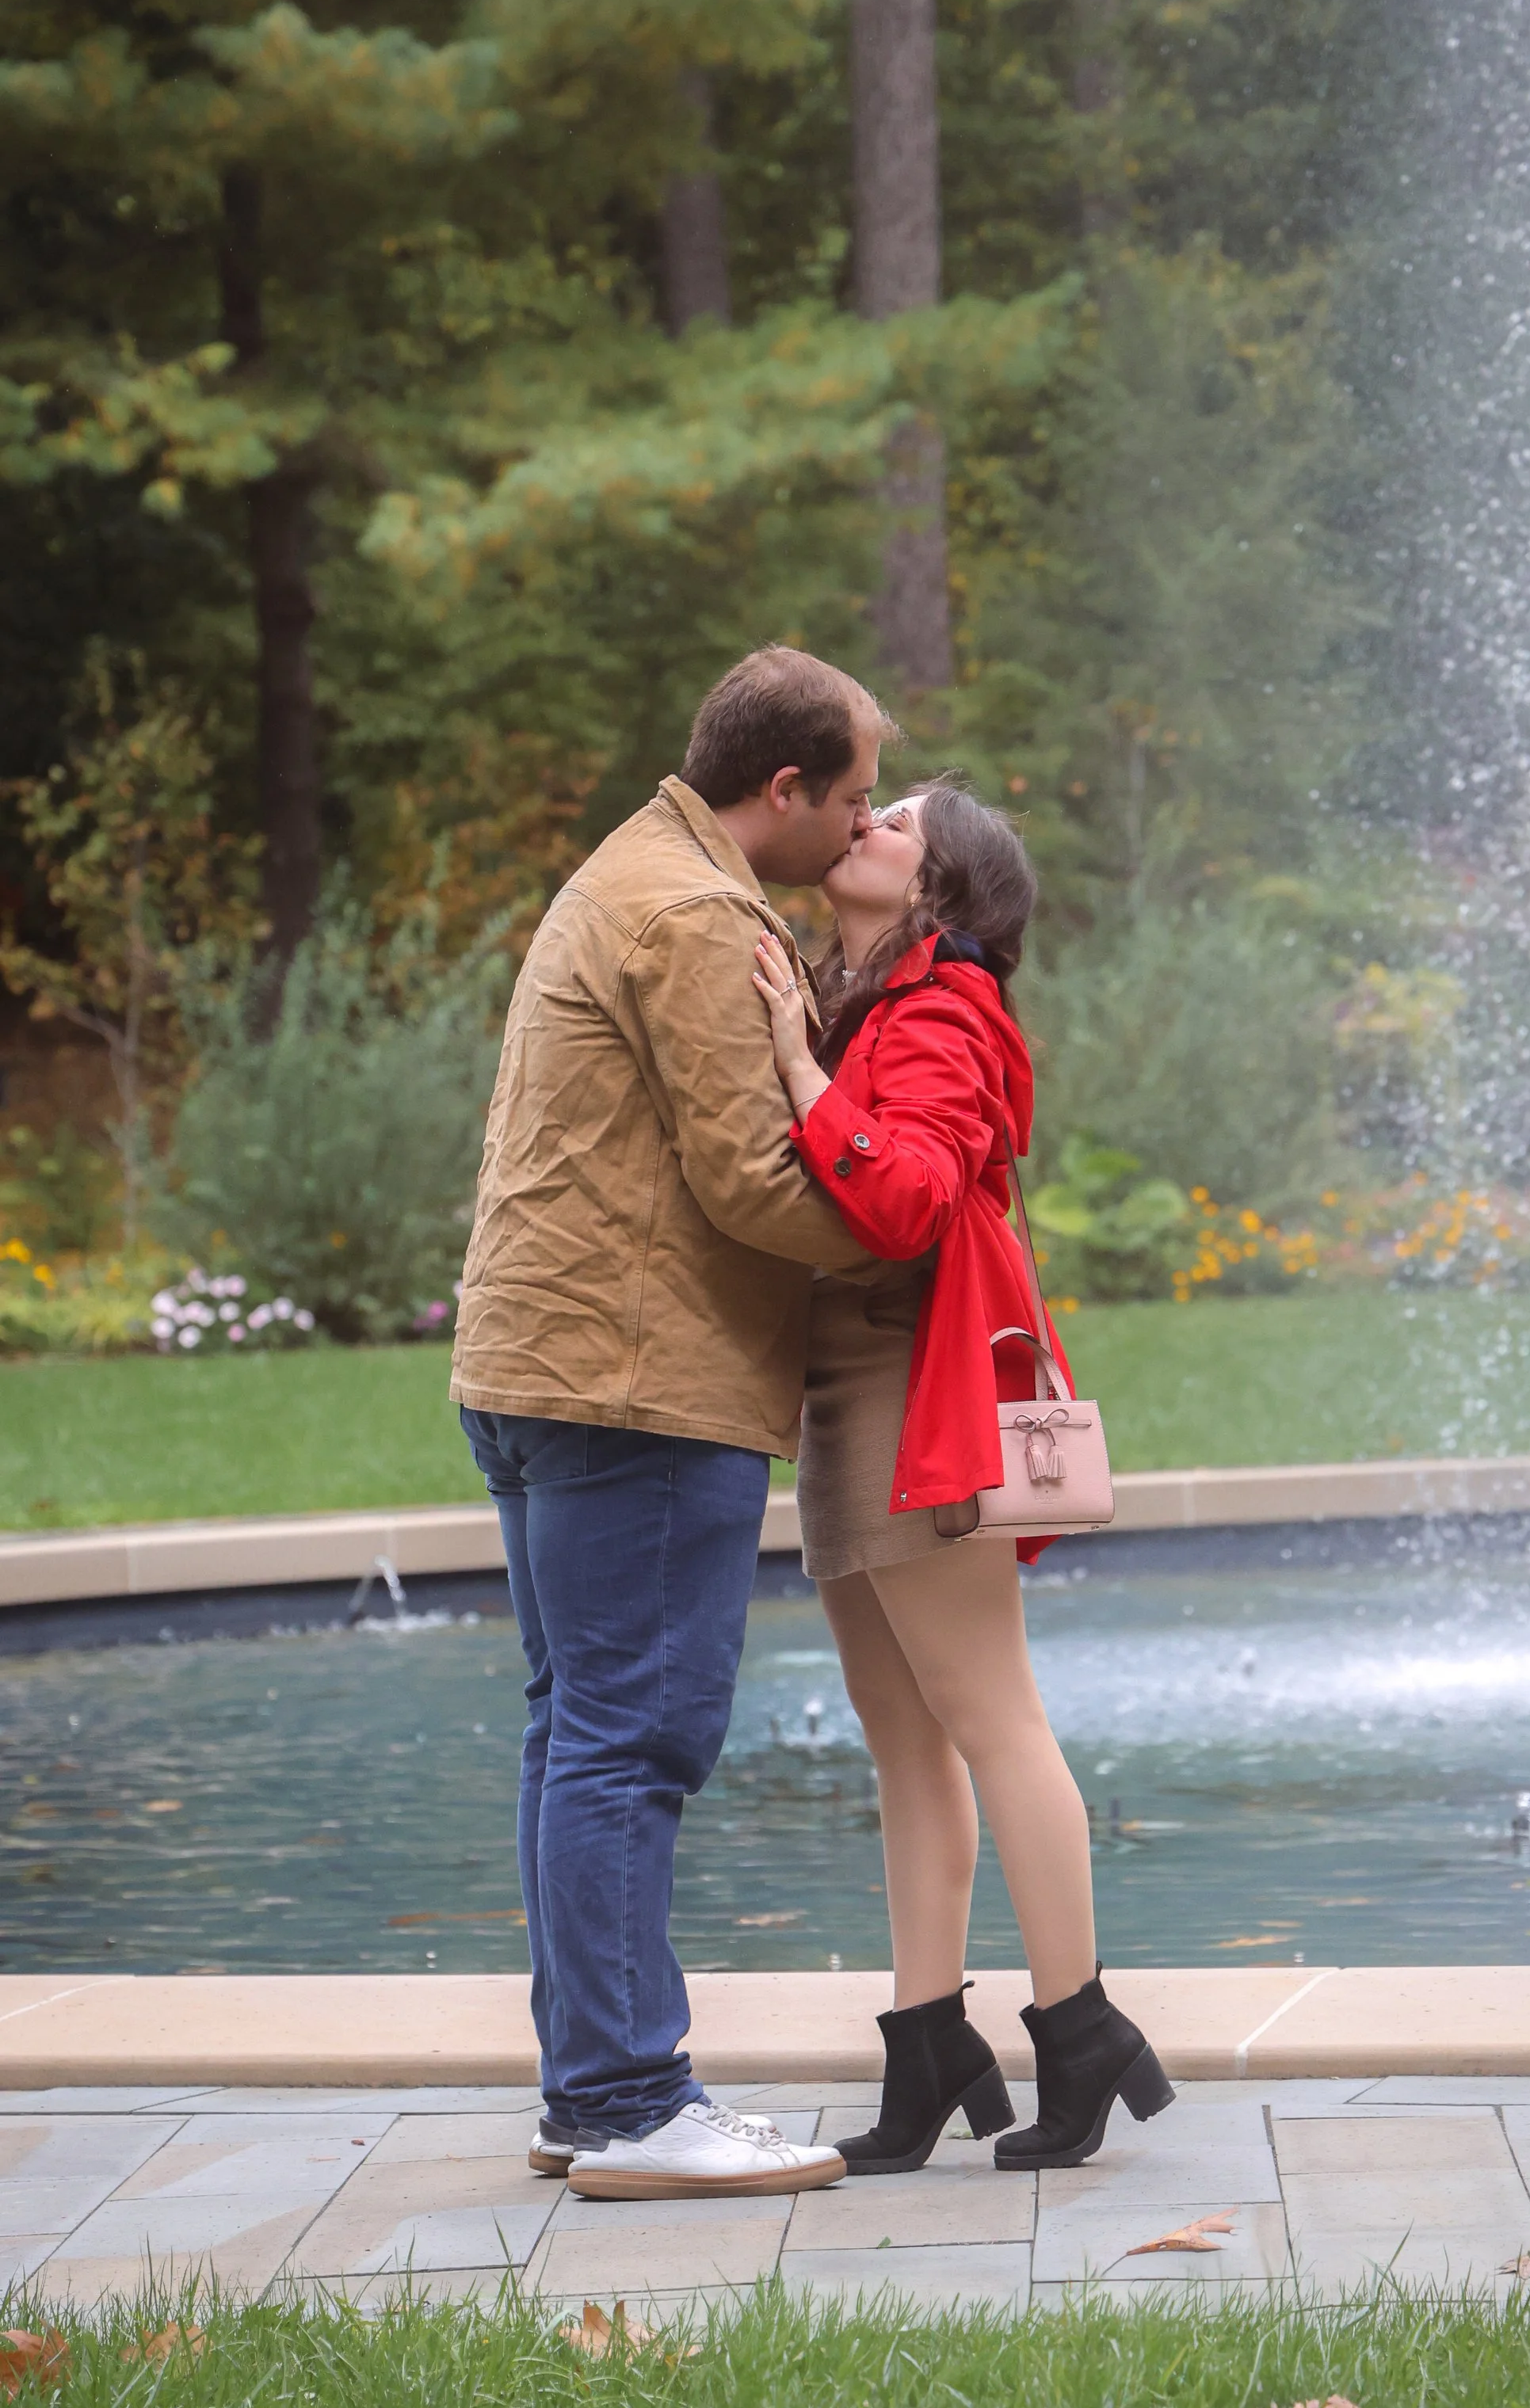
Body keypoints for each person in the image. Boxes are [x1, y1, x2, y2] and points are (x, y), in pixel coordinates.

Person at [452, 644, 900, 2200]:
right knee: (630, 1742)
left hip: (535, 1370)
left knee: (575, 1737)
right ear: (777, 788)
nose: (856, 833)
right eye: (845, 802)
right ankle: (635, 2103)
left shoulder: (632, 869)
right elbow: (756, 1182)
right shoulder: (699, 913)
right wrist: (930, 1230)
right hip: (633, 1386)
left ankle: (591, 2089)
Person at [751, 780, 1173, 2171]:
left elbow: (912, 1197)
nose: (859, 825)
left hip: (910, 1384)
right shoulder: (862, 995)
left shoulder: (942, 1009)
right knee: (902, 1735)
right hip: (845, 1386)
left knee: (992, 1717)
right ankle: (929, 2039)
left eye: (891, 823)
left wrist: (801, 1073)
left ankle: (1080, 2024)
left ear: (940, 887)